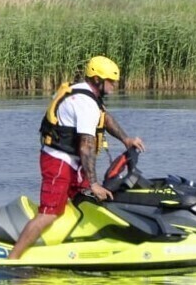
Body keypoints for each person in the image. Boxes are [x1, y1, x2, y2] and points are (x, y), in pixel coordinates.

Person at [8, 56, 146, 259]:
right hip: (58, 161)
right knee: (50, 213)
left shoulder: (88, 94)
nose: (115, 85)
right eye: (111, 81)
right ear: (98, 79)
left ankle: (71, 247)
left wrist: (126, 139)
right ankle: (13, 258)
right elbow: (86, 146)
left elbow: (104, 117)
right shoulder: (85, 103)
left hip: (72, 162)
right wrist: (94, 183)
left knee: (83, 203)